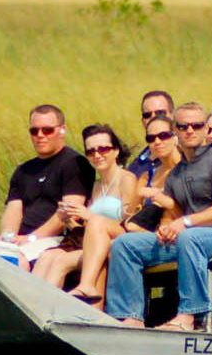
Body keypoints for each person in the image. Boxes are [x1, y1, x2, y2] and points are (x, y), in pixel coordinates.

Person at [105, 102, 212, 331]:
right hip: (192, 237)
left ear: (206, 129)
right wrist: (166, 228)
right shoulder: (177, 172)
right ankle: (129, 316)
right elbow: (174, 213)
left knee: (189, 237)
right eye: (183, 126)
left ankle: (190, 315)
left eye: (197, 125)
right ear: (175, 131)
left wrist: (184, 223)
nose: (190, 130)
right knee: (125, 244)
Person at [68, 114, 181, 307]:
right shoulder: (146, 176)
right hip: (139, 232)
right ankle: (91, 304)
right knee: (95, 240)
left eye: (163, 135)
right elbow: (130, 215)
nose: (157, 142)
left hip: (169, 235)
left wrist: (164, 200)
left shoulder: (184, 171)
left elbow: (189, 212)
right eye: (151, 138)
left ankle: (97, 302)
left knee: (104, 238)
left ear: (175, 137)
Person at [32, 124, 139, 288]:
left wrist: (89, 215)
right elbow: (88, 227)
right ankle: (30, 302)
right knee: (46, 257)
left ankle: (49, 303)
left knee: (59, 261)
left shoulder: (127, 179)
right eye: (91, 151)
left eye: (103, 149)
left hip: (115, 239)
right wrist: (68, 220)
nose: (97, 155)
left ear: (116, 151)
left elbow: (128, 222)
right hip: (89, 240)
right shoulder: (96, 185)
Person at [0, 104, 94, 261]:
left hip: (54, 240)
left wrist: (32, 238)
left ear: (62, 130)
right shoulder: (23, 170)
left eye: (47, 130)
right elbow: (14, 208)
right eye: (34, 131)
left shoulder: (74, 163)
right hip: (22, 239)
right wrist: (8, 236)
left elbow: (69, 211)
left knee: (17, 260)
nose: (40, 135)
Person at [125, 89, 174, 180]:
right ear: (143, 121)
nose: (153, 117)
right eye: (147, 115)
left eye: (160, 113)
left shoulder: (186, 156)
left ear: (173, 116)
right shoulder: (138, 163)